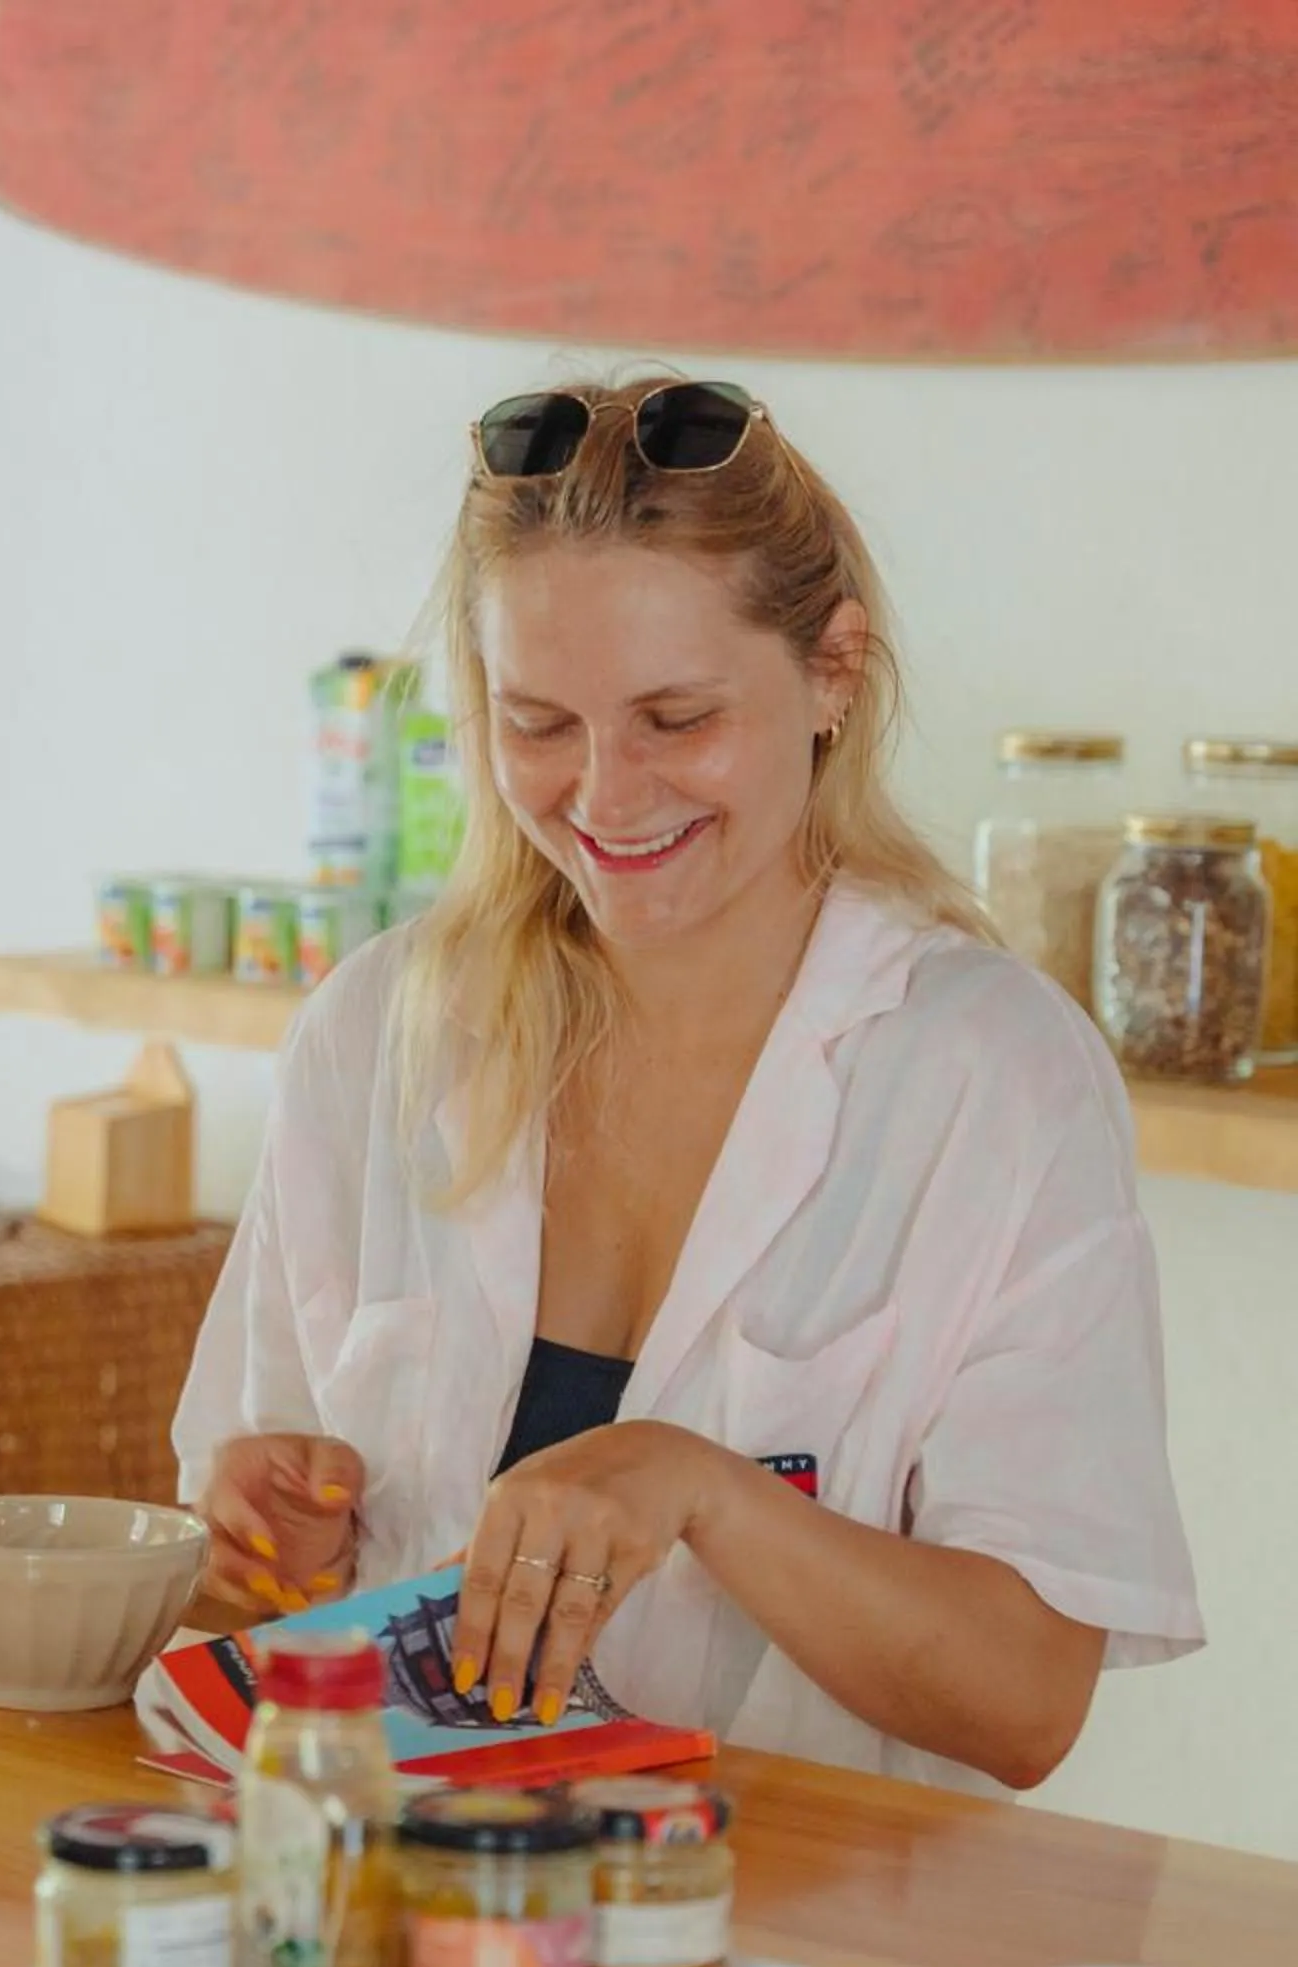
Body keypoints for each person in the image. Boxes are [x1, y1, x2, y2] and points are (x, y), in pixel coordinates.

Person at [172, 378, 1201, 1793]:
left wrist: (707, 1493)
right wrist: (269, 1528)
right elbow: (264, 1560)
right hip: (419, 1911)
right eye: (539, 723)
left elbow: (1027, 1702)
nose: (605, 795)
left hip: (807, 1934)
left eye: (675, 716)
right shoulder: (374, 1034)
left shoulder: (994, 1081)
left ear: (834, 670)